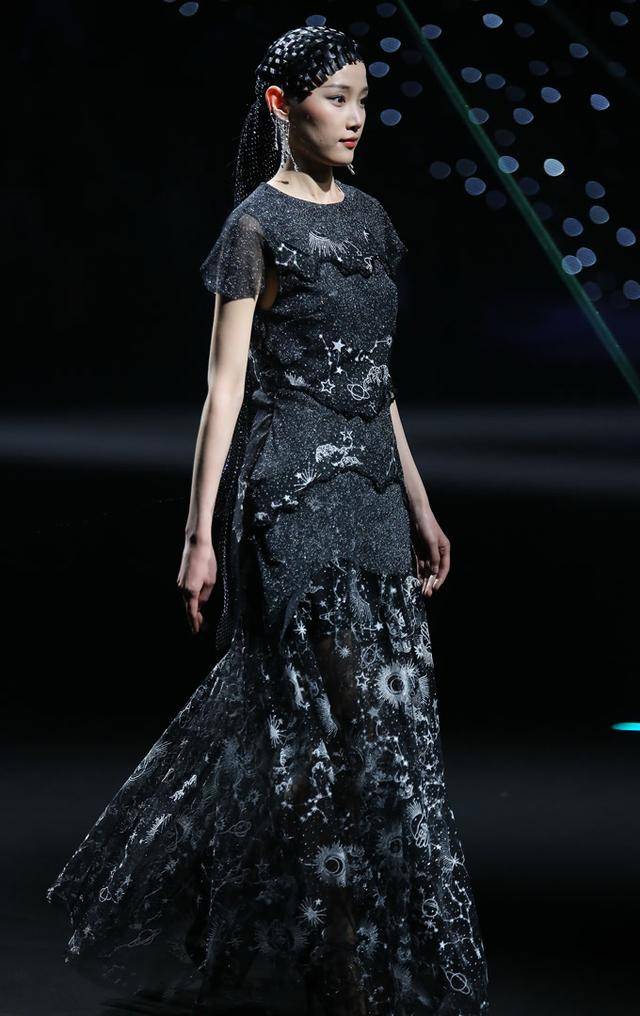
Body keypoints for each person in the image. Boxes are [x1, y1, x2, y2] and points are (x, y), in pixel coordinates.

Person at [46, 24, 490, 1016]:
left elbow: (376, 379)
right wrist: (198, 534)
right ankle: (341, 968)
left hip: (373, 503)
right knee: (325, 731)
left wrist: (419, 502)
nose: (357, 116)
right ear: (284, 105)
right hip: (288, 501)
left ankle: (307, 935)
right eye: (337, 97)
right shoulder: (254, 226)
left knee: (382, 731)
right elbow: (224, 387)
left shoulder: (371, 219)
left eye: (364, 98)